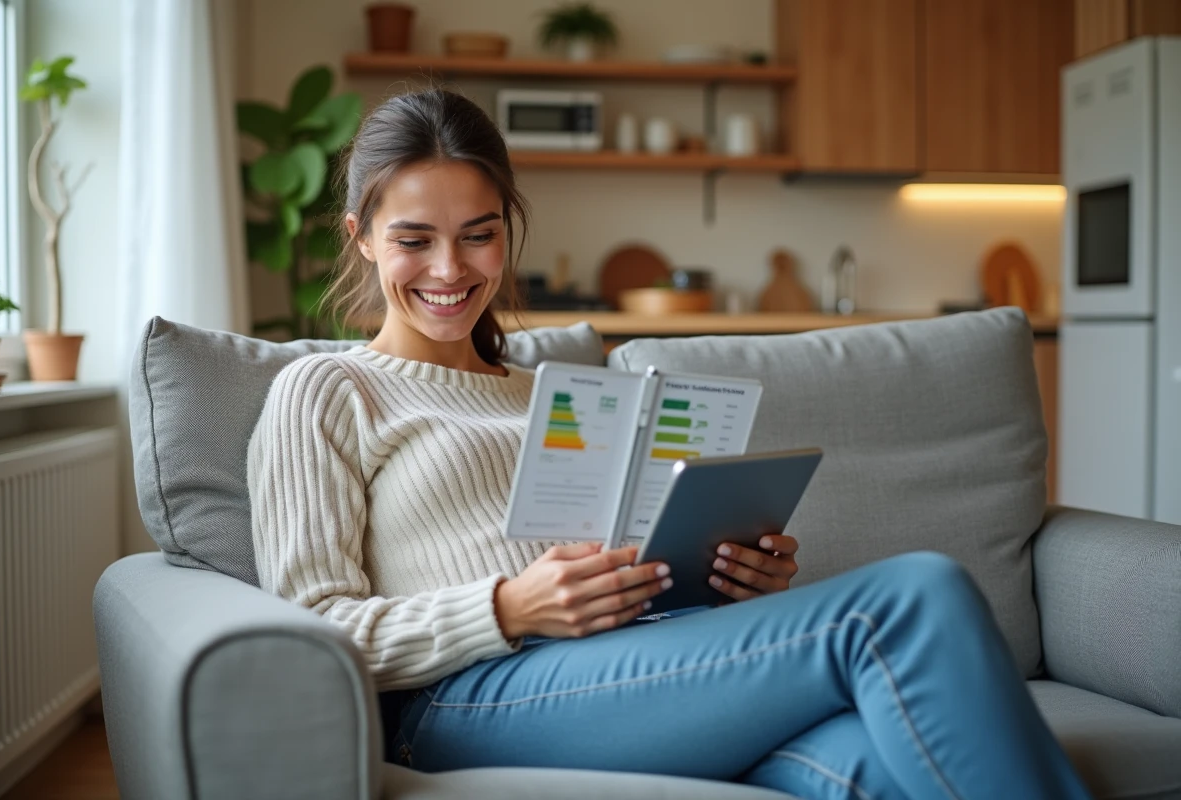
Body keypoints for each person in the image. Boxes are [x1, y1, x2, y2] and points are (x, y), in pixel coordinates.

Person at [247, 88, 1091, 799]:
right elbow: (307, 635)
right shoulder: (325, 391)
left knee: (866, 765)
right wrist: (507, 607)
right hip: (460, 701)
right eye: (413, 239)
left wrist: (730, 583)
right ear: (360, 234)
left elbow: (622, 573)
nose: (449, 269)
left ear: (509, 231)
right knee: (911, 598)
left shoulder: (551, 394)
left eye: (479, 233)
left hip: (625, 669)